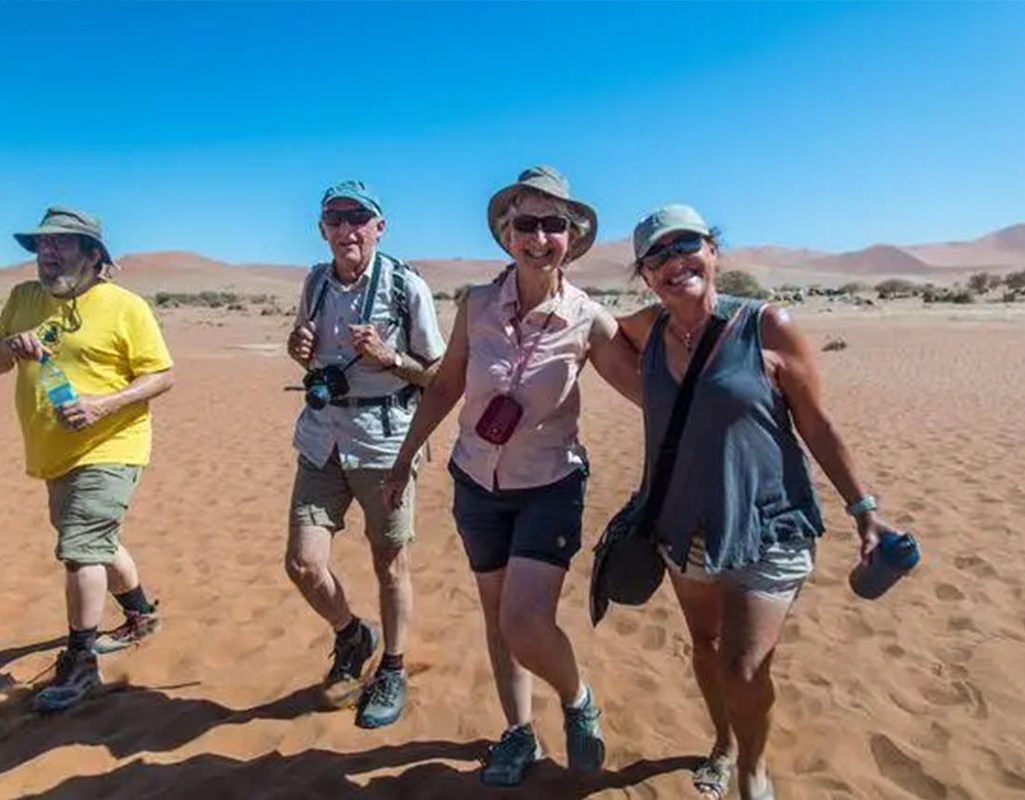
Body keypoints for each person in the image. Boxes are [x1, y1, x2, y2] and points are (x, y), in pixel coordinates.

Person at [616, 204, 902, 800]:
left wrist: (864, 511)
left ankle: (753, 766)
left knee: (744, 667)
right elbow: (597, 324)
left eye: (686, 245)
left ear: (713, 250)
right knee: (705, 645)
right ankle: (723, 740)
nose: (675, 262)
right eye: (657, 256)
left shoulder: (766, 326)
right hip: (683, 524)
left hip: (767, 524)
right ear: (644, 275)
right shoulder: (646, 334)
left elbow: (817, 425)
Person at [382, 166, 640, 786]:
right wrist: (403, 457)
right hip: (476, 482)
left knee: (526, 621)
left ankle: (578, 701)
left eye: (556, 224)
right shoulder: (475, 305)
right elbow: (445, 384)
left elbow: (649, 393)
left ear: (571, 238)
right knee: (500, 622)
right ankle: (518, 734)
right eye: (527, 222)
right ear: (506, 232)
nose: (540, 236)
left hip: (549, 486)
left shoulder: (588, 319)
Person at [0, 207, 175, 713]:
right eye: (43, 244)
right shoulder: (24, 298)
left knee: (80, 547)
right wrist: (10, 347)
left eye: (62, 243)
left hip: (113, 443)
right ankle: (140, 615)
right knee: (95, 540)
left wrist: (101, 405)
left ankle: (81, 662)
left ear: (93, 254)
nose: (48, 253)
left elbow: (161, 375)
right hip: (52, 448)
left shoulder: (125, 307)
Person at [284, 180, 445, 730]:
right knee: (303, 563)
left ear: (380, 227)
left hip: (384, 443)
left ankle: (392, 668)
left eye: (359, 218)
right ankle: (353, 634)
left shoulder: (406, 287)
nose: (347, 228)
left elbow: (440, 376)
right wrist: (297, 348)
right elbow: (309, 359)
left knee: (388, 562)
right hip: (322, 439)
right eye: (336, 218)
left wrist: (389, 355)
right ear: (323, 228)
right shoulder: (315, 282)